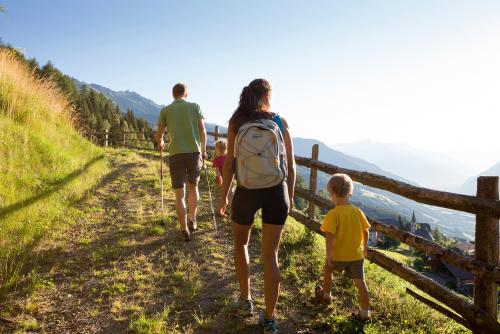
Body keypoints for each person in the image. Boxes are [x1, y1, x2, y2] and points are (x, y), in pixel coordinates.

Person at [218, 79, 296, 334]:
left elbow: (229, 163)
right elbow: (292, 167)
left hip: (246, 191)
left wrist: (224, 196)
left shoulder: (237, 121)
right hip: (276, 191)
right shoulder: (280, 122)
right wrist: (290, 196)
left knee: (241, 244)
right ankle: (270, 318)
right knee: (271, 254)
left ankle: (246, 300)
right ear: (267, 95)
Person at [315, 173, 372, 321]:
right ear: (349, 192)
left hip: (338, 256)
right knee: (361, 283)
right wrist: (365, 248)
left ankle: (326, 295)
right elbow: (366, 230)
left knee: (328, 271)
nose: (330, 197)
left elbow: (329, 237)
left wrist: (329, 257)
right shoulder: (358, 212)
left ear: (334, 193)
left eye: (329, 194)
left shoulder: (333, 214)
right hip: (356, 256)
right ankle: (365, 313)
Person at [156, 83, 207, 242]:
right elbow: (203, 131)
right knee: (194, 187)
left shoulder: (165, 110)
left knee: (179, 194)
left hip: (176, 154)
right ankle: (192, 218)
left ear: (173, 95)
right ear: (186, 94)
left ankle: (184, 228)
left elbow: (159, 135)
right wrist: (204, 150)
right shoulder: (195, 106)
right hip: (194, 152)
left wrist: (162, 143)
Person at [213, 139, 234, 209]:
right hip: (229, 179)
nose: (215, 151)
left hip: (220, 180)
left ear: (218, 150)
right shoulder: (228, 158)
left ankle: (220, 208)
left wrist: (220, 178)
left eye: (215, 149)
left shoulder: (216, 160)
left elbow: (217, 170)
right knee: (229, 193)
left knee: (218, 194)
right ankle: (231, 207)